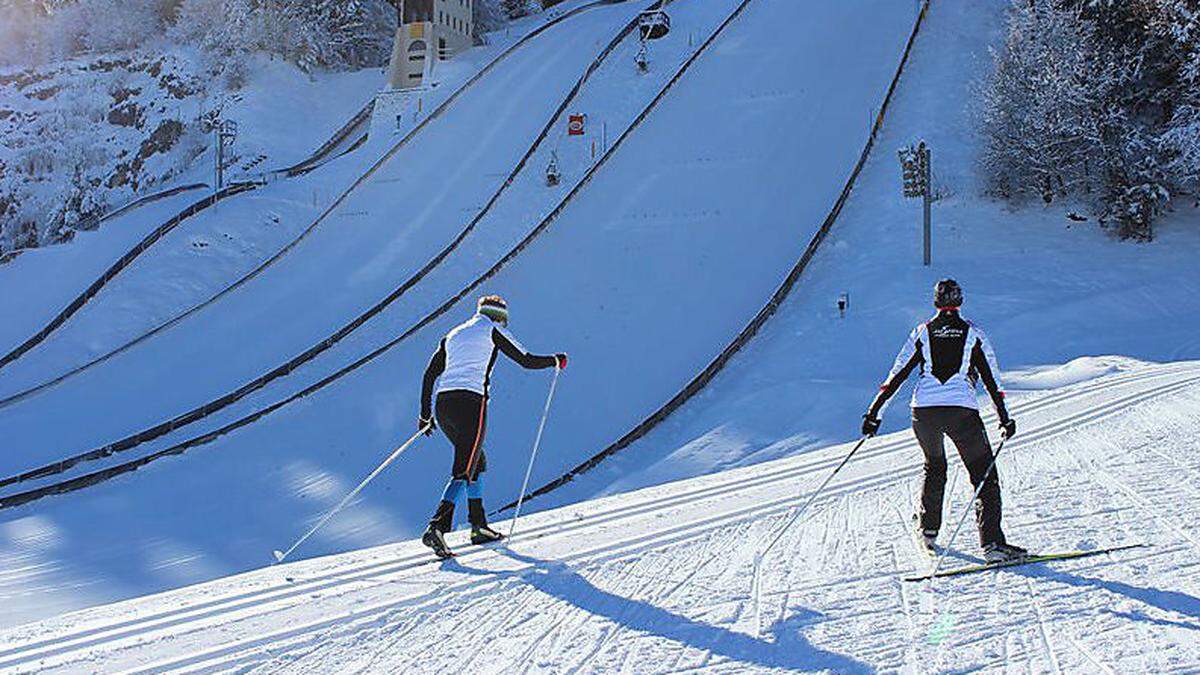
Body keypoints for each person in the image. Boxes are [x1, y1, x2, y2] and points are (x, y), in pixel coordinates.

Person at [861, 279, 1026, 563]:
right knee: (983, 473)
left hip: (923, 412)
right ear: (960, 301)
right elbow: (992, 380)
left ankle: (928, 530)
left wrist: (873, 413)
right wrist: (1004, 418)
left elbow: (897, 374)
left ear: (935, 302)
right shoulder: (973, 333)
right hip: (960, 410)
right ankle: (993, 545)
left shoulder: (922, 332)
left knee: (934, 465)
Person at [418, 295, 567, 558]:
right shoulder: (492, 330)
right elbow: (526, 359)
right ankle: (437, 526)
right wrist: (555, 360)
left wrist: (425, 414)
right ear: (499, 317)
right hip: (471, 403)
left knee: (477, 459)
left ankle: (478, 525)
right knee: (464, 466)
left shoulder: (453, 334)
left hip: (444, 404)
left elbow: (430, 373)